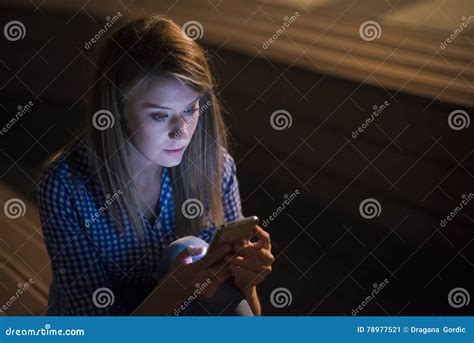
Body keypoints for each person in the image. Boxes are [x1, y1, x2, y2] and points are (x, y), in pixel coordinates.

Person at [37, 15, 273, 316]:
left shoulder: (216, 167)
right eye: (160, 115)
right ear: (117, 109)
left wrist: (246, 282)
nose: (181, 132)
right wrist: (174, 291)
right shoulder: (65, 186)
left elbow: (247, 313)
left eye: (190, 109)